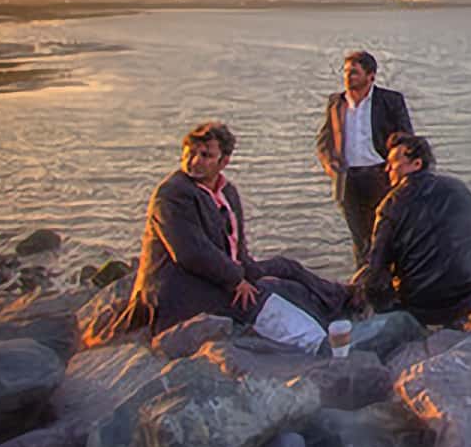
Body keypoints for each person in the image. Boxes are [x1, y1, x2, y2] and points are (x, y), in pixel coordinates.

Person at [121, 121, 347, 347]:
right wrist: (236, 280)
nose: (195, 161)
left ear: (224, 161)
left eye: (206, 155)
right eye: (190, 153)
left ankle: (340, 298)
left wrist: (248, 272)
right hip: (179, 288)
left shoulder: (227, 192)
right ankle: (314, 344)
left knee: (285, 267)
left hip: (217, 275)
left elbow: (237, 249)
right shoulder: (173, 194)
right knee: (260, 302)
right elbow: (191, 252)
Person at [349, 132, 471, 326]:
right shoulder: (458, 188)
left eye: (393, 162)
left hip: (422, 306)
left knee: (372, 268)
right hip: (468, 298)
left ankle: (392, 324)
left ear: (417, 164)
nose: (387, 169)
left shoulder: (391, 205)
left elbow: (377, 265)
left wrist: (372, 297)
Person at [314, 50, 414, 267]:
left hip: (380, 175)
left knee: (386, 233)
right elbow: (324, 140)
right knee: (359, 239)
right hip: (347, 179)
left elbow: (406, 137)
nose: (349, 77)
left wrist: (398, 168)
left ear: (371, 75)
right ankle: (364, 287)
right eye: (347, 72)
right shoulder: (336, 103)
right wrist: (329, 165)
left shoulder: (390, 100)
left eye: (355, 72)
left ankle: (391, 281)